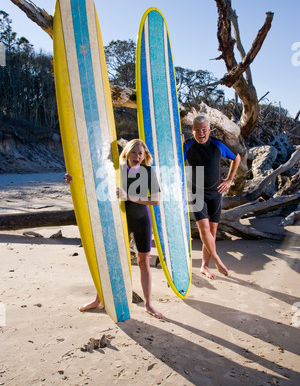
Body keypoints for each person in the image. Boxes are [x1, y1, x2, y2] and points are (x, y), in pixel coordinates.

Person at [66, 138, 163, 319]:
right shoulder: (117, 172)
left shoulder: (149, 172)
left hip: (143, 220)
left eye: (140, 153)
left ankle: (148, 304)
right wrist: (73, 179)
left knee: (144, 263)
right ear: (126, 153)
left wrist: (130, 197)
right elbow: (93, 182)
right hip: (120, 222)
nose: (137, 156)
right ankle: (99, 299)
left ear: (144, 155)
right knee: (111, 261)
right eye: (133, 152)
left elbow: (156, 200)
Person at [183, 115, 241, 280]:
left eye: (204, 130)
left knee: (213, 231)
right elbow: (176, 161)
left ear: (209, 130)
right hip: (196, 192)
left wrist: (229, 180)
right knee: (203, 229)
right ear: (192, 131)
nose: (201, 133)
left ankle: (204, 266)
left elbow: (236, 158)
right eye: (197, 130)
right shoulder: (187, 145)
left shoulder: (218, 144)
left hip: (215, 192)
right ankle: (216, 259)